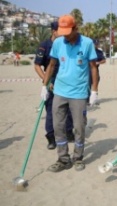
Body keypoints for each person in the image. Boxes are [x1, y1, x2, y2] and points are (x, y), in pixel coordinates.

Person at [40, 14, 99, 172]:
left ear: (75, 28)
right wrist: (44, 86)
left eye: (67, 31)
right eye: (62, 31)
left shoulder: (87, 43)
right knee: (58, 126)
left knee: (79, 127)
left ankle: (78, 157)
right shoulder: (58, 42)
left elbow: (93, 67)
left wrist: (94, 90)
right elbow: (51, 65)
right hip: (59, 91)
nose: (64, 34)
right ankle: (63, 159)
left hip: (79, 93)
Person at [34, 21, 74, 150]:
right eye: (60, 31)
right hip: (51, 82)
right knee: (51, 111)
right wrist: (46, 82)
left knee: (69, 109)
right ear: (54, 31)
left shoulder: (65, 44)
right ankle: (51, 137)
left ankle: (69, 132)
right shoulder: (44, 46)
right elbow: (37, 66)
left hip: (66, 82)